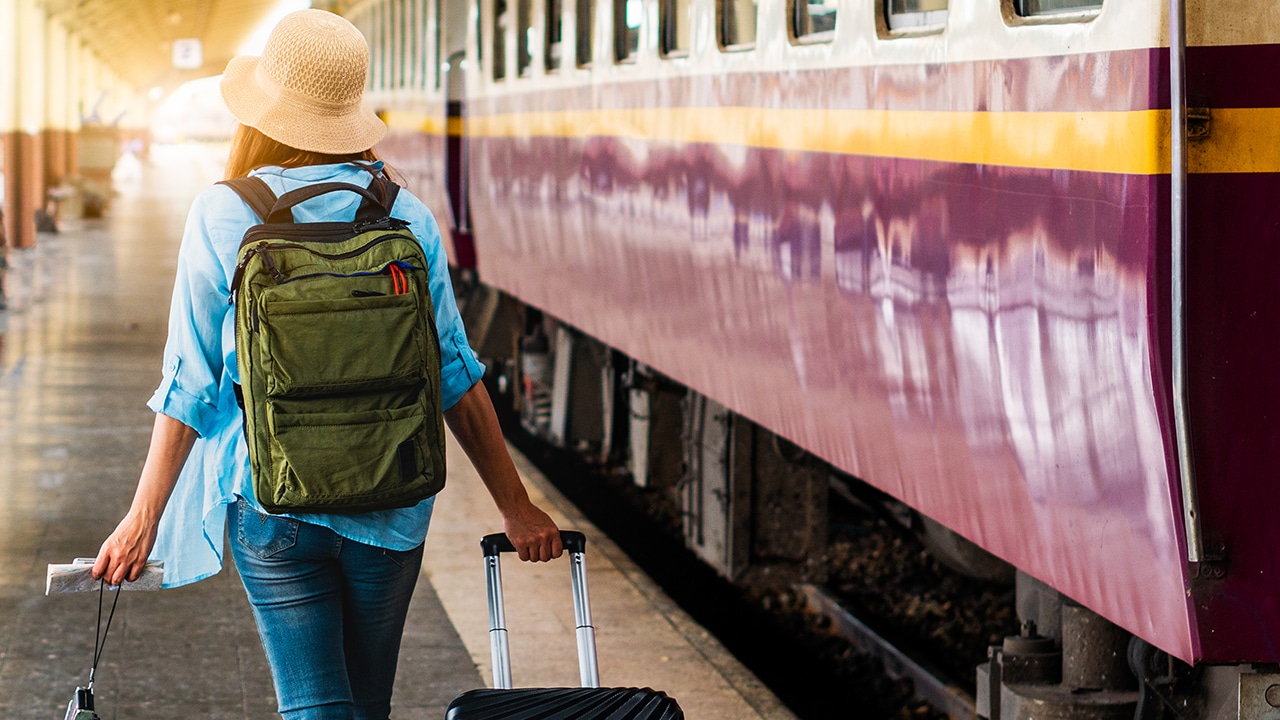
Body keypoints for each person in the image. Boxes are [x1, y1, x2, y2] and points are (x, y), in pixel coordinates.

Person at [91, 9, 562, 719]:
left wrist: (143, 517)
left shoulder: (224, 214)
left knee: (313, 706)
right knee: (367, 707)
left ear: (263, 113)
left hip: (273, 499)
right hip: (392, 500)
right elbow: (456, 377)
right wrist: (515, 505)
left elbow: (189, 382)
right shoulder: (407, 215)